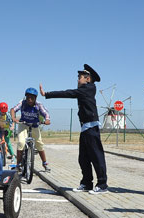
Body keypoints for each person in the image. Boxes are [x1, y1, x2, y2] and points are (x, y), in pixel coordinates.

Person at [40, 64, 108, 194]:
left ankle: (102, 184)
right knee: (83, 158)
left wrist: (47, 94)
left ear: (87, 79)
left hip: (91, 128)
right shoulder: (85, 89)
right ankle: (87, 183)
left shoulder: (88, 88)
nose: (78, 80)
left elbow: (68, 93)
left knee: (96, 156)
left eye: (80, 77)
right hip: (85, 128)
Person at [10, 87, 51, 172]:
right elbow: (13, 109)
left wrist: (47, 120)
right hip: (23, 124)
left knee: (39, 143)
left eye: (32, 98)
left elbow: (45, 113)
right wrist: (13, 117)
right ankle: (18, 164)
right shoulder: (22, 103)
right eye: (28, 97)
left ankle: (44, 163)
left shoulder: (38, 105)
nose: (30, 99)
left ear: (35, 98)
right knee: (21, 142)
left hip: (35, 125)